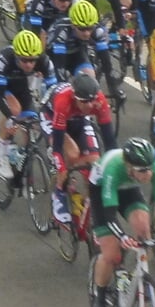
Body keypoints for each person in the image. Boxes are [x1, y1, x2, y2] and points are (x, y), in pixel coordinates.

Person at [90, 137, 155, 307]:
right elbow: (109, 215)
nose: (147, 174)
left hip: (129, 188)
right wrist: (121, 236)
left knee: (143, 228)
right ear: (128, 165)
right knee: (112, 253)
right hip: (102, 191)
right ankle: (99, 295)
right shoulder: (114, 168)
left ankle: (141, 273)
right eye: (142, 170)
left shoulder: (154, 167)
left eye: (149, 168)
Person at [48, 72, 115, 223]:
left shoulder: (99, 101)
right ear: (75, 98)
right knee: (71, 154)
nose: (90, 105)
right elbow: (57, 147)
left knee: (94, 161)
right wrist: (62, 168)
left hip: (78, 119)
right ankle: (59, 193)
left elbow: (110, 141)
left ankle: (90, 204)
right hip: (52, 116)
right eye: (85, 102)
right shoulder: (63, 101)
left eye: (92, 100)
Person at [0, 30, 49, 180]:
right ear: (16, 55)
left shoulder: (43, 61)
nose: (29, 64)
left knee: (31, 127)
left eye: (32, 60)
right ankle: (2, 155)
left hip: (19, 85)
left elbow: (54, 91)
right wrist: (11, 118)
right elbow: (0, 96)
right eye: (24, 60)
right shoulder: (4, 59)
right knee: (15, 110)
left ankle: (25, 172)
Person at [45, 0, 121, 102]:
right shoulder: (62, 30)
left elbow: (106, 63)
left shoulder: (97, 31)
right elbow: (60, 66)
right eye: (81, 29)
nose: (86, 33)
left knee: (90, 82)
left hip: (77, 54)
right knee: (56, 90)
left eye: (89, 28)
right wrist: (61, 92)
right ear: (72, 25)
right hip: (55, 56)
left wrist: (114, 89)